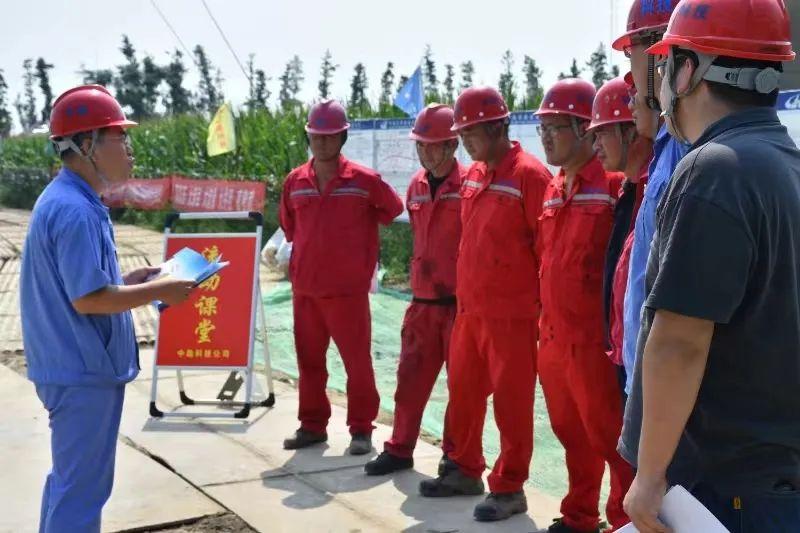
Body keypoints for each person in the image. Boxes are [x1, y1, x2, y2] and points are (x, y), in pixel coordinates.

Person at [618, 1, 800, 531]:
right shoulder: (784, 164)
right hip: (771, 479)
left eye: (666, 63)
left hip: (726, 492)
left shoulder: (716, 171)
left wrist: (650, 476)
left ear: (688, 70)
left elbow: (680, 340)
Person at [20, 84, 196, 532]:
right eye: (120, 137)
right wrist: (162, 291)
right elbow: (88, 299)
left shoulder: (72, 199)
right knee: (81, 493)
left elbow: (86, 286)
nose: (130, 149)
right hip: (80, 371)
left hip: (72, 367)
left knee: (70, 485)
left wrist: (128, 283)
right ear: (86, 145)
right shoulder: (75, 210)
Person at [418, 86, 552, 522]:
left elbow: (546, 248)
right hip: (470, 310)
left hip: (511, 316)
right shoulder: (474, 174)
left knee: (511, 404)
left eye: (471, 133)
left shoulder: (530, 176)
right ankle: (463, 468)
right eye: (461, 134)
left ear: (497, 128)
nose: (465, 142)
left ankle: (509, 488)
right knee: (463, 394)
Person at [279, 99, 403, 455]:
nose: (322, 142)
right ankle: (312, 425)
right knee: (309, 363)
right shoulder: (295, 182)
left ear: (343, 137)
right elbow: (290, 226)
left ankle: (361, 429)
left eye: (330, 136)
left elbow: (392, 209)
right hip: (306, 291)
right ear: (308, 137)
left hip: (348, 293)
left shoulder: (364, 181)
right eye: (316, 136)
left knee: (357, 363)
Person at [535, 78, 632, 533]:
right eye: (542, 129)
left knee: (612, 439)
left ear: (584, 129)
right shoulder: (554, 187)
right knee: (570, 433)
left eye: (555, 127)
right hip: (554, 338)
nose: (546, 137)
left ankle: (624, 522)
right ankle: (579, 514)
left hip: (595, 344)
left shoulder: (613, 185)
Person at [364, 104, 466, 475]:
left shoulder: (468, 186)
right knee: (409, 381)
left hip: (458, 305)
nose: (424, 152)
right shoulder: (416, 186)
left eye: (432, 144)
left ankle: (454, 457)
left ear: (452, 145)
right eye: (420, 145)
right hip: (422, 303)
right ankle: (399, 448)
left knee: (462, 388)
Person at [613, 0, 686, 399]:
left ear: (662, 51)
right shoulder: (668, 148)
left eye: (633, 52)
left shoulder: (689, 154)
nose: (632, 94)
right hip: (649, 377)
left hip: (666, 389)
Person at [592, 77, 653, 396]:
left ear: (630, 131)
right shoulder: (629, 190)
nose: (595, 146)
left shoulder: (655, 189)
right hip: (625, 356)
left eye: (602, 133)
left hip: (650, 366)